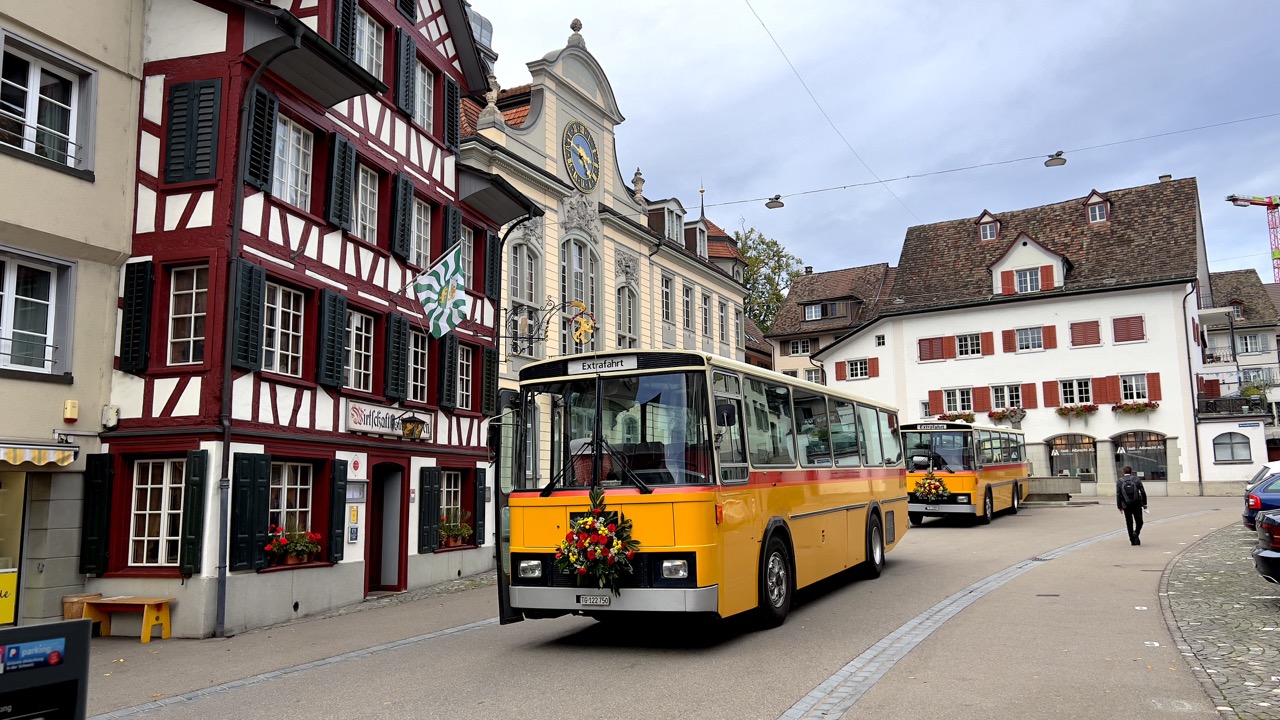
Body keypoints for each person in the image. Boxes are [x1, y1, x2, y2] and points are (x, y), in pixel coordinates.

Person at [1116, 465, 1148, 545]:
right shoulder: (1136, 479)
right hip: (1136, 504)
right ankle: (1136, 533)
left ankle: (1132, 540)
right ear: (1131, 471)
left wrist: (1119, 506)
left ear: (1124, 472)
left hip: (1126, 505)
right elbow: (1143, 492)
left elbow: (1118, 494)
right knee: (1139, 521)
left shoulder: (1120, 481)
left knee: (1129, 522)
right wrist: (1144, 503)